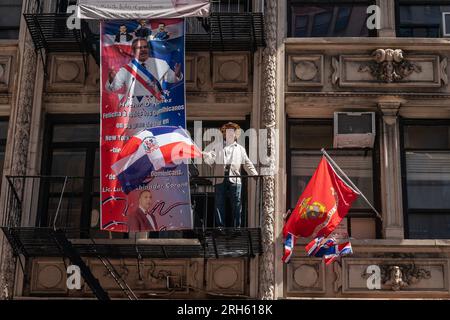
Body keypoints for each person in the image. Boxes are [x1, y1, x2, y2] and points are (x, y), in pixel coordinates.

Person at [203, 122, 258, 228]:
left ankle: (236, 227)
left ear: (235, 134)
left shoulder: (240, 149)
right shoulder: (217, 146)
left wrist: (254, 174)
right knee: (219, 202)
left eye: (232, 131)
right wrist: (205, 155)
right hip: (220, 178)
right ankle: (220, 226)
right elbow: (210, 158)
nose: (229, 133)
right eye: (227, 131)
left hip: (235, 179)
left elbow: (247, 163)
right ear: (224, 133)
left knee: (236, 203)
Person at [105, 38, 183, 101]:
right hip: (136, 110)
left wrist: (177, 74)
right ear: (133, 51)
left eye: (145, 47)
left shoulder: (161, 63)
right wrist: (112, 79)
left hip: (157, 108)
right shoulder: (125, 69)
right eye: (139, 47)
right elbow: (113, 88)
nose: (143, 50)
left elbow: (172, 79)